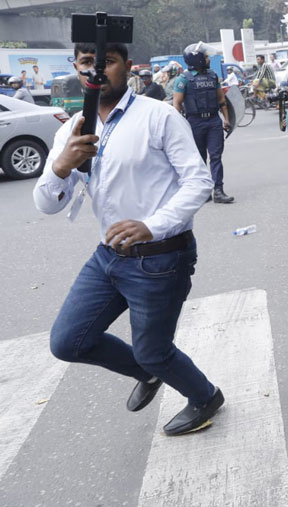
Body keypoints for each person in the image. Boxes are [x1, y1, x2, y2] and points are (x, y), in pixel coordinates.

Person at [33, 40, 225, 437]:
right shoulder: (73, 129)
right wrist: (62, 167)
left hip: (160, 257)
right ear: (76, 67)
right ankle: (150, 371)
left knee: (154, 349)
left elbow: (198, 181)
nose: (97, 71)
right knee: (68, 341)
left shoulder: (158, 116)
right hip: (107, 256)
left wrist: (151, 224)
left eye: (108, 62)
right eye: (88, 62)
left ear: (128, 66)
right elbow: (47, 204)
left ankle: (205, 396)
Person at [173, 43, 234, 204]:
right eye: (205, 57)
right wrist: (180, 126)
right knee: (199, 159)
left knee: (216, 156)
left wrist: (226, 119)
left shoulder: (213, 76)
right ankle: (204, 191)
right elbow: (177, 105)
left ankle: (218, 191)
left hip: (213, 121)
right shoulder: (183, 79)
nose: (208, 59)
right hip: (194, 122)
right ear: (197, 59)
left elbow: (221, 100)